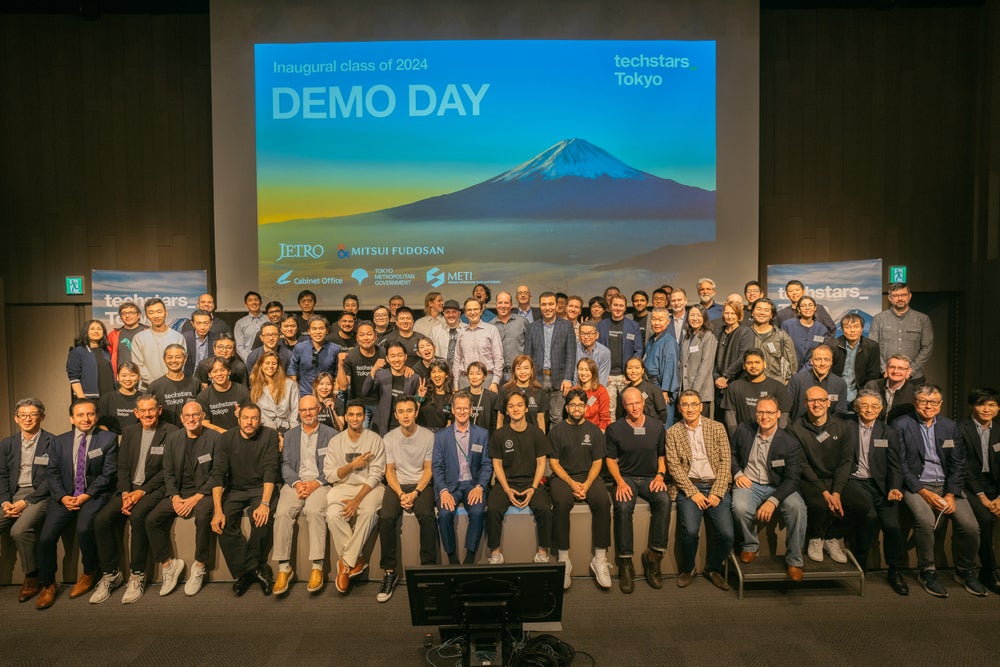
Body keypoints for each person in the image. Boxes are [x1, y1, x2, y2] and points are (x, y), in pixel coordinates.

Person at [895, 384, 985, 597]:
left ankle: (965, 571)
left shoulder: (949, 426)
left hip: (946, 487)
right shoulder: (901, 425)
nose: (929, 406)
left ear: (941, 404)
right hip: (916, 487)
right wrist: (924, 493)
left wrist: (951, 494)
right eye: (924, 401)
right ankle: (927, 571)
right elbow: (900, 465)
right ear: (915, 403)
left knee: (971, 526)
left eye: (934, 402)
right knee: (925, 521)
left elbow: (958, 463)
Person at [90, 393, 177, 604]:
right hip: (128, 489)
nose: (147, 414)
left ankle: (138, 574)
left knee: (138, 517)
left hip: (154, 489)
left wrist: (141, 492)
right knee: (101, 520)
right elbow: (122, 466)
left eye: (151, 410)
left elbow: (167, 471)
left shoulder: (172, 432)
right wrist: (126, 492)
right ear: (136, 413)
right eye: (142, 411)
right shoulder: (129, 432)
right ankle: (111, 573)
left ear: (159, 410)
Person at [35, 399, 119, 609]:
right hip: (64, 496)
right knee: (46, 538)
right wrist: (63, 497)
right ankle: (48, 584)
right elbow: (52, 473)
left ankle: (90, 571)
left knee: (84, 528)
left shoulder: (108, 439)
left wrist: (86, 495)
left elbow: (108, 473)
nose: (86, 419)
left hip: (93, 495)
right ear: (72, 418)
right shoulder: (59, 441)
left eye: (90, 414)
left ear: (96, 416)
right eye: (80, 415)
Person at [788, 386, 869, 565]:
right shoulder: (795, 429)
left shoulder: (843, 426)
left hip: (836, 478)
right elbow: (802, 464)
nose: (817, 404)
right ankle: (816, 537)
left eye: (821, 400)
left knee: (862, 505)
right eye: (811, 400)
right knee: (820, 504)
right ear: (805, 403)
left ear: (828, 402)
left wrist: (837, 492)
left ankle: (833, 537)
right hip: (810, 479)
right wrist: (826, 494)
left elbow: (846, 461)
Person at [729, 396, 808, 581]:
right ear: (756, 413)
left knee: (797, 508)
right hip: (749, 482)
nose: (765, 416)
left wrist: (773, 501)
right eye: (761, 412)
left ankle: (794, 560)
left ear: (778, 414)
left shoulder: (790, 442)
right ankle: (750, 545)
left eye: (770, 412)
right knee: (739, 507)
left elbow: (792, 479)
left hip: (779, 486)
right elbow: (731, 453)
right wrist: (738, 473)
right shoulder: (743, 430)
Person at [146, 400, 219, 597]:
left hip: (204, 493)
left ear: (203, 416)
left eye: (195, 415)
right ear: (181, 418)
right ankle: (168, 565)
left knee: (203, 516)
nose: (191, 419)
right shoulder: (173, 438)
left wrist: (195, 498)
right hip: (179, 493)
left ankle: (200, 565)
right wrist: (175, 497)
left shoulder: (214, 438)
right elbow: (167, 472)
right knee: (151, 520)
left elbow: (218, 474)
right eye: (187, 416)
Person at [210, 403, 281, 597]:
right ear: (238, 419)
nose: (249, 423)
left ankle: (245, 573)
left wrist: (265, 503)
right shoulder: (225, 439)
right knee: (222, 523)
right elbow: (218, 473)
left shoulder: (270, 435)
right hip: (236, 490)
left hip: (261, 487)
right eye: (245, 418)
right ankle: (256, 570)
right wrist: (217, 510)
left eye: (254, 418)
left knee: (262, 518)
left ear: (260, 420)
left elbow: (270, 470)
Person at [665, 390, 734, 590]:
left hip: (715, 485)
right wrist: (692, 491)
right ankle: (688, 569)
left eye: (694, 404)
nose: (689, 409)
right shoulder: (673, 432)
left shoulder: (717, 427)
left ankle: (712, 568)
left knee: (727, 533)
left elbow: (725, 461)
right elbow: (674, 466)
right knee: (690, 531)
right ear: (679, 408)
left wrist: (718, 491)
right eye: (685, 405)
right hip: (690, 486)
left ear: (701, 406)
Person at [604, 387, 670, 593]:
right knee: (623, 507)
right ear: (624, 406)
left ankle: (654, 557)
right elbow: (610, 459)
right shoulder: (614, 429)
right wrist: (620, 482)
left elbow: (662, 456)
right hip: (627, 478)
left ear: (643, 403)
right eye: (629, 404)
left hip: (651, 477)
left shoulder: (657, 426)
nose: (634, 407)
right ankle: (625, 562)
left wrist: (660, 475)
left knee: (664, 501)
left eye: (637, 403)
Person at [272, 395, 337, 596]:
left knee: (315, 510)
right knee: (282, 513)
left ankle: (317, 566)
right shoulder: (290, 435)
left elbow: (333, 466)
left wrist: (316, 483)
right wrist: (298, 483)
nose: (307, 413)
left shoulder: (332, 434)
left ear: (318, 410)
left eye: (311, 409)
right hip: (295, 482)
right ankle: (284, 568)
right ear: (299, 413)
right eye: (303, 410)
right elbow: (286, 465)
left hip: (321, 482)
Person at [547, 389, 612, 589]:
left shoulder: (594, 431)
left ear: (585, 407)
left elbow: (597, 462)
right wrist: (572, 484)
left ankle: (600, 559)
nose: (577, 408)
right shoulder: (557, 431)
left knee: (603, 501)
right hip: (563, 477)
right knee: (562, 501)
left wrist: (586, 484)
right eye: (573, 405)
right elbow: (554, 463)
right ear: (566, 408)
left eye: (580, 405)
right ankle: (564, 559)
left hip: (588, 477)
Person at [849, 390, 909, 596]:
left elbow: (895, 465)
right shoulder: (846, 427)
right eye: (864, 405)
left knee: (892, 526)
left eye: (874, 406)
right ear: (857, 407)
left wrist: (894, 487)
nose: (869, 410)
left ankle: (894, 571)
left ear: (881, 409)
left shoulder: (888, 431)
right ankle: (860, 565)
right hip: (855, 482)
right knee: (869, 517)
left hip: (882, 486)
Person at [376, 395, 436, 602]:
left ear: (416, 412)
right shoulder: (389, 438)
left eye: (409, 411)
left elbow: (428, 471)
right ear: (395, 415)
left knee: (427, 517)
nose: (405, 415)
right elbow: (389, 472)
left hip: (420, 484)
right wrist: (401, 493)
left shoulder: (428, 436)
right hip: (397, 485)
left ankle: (428, 571)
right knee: (386, 517)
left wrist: (416, 493)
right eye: (401, 412)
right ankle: (389, 573)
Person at [324, 400, 386, 596]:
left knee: (368, 512)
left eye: (359, 415)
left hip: (369, 487)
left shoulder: (375, 439)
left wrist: (357, 500)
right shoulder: (336, 441)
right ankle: (356, 559)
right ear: (347, 416)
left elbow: (376, 475)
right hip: (342, 487)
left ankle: (345, 563)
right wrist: (352, 465)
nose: (355, 418)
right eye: (351, 415)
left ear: (364, 417)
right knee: (333, 514)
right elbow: (330, 475)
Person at [485, 392, 553, 565]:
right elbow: (497, 465)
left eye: (519, 405)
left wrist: (533, 488)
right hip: (506, 482)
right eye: (511, 406)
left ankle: (543, 553)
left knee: (545, 509)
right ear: (506, 411)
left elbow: (541, 464)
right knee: (492, 509)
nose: (515, 409)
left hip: (531, 481)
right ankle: (495, 553)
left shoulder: (536, 433)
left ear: (525, 408)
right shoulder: (499, 435)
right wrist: (507, 489)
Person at [0, 398, 55, 603]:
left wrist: (26, 501)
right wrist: (5, 502)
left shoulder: (53, 442)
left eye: (32, 414)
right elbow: (2, 475)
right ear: (16, 418)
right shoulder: (7, 443)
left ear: (42, 416)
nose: (27, 419)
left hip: (40, 495)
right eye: (23, 415)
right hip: (12, 495)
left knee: (19, 530)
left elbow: (53, 478)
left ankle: (32, 575)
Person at [433, 391, 492, 565]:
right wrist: (443, 491)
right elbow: (437, 467)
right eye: (458, 408)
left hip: (473, 485)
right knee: (444, 514)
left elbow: (487, 465)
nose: (462, 412)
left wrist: (480, 486)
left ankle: (470, 556)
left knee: (478, 511)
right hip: (450, 485)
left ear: (471, 409)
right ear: (452, 409)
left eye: (465, 408)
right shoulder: (441, 436)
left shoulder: (482, 434)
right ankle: (451, 556)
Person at [959, 388, 1000, 594]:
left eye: (991, 405)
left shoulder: (999, 431)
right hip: (970, 486)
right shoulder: (960, 429)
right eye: (981, 404)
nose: (986, 409)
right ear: (971, 406)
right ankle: (988, 570)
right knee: (985, 519)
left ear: (998, 408)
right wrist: (983, 497)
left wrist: (999, 497)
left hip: (995, 486)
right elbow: (964, 468)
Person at [524, 292, 577, 425]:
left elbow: (571, 354)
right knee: (535, 417)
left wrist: (567, 378)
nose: (547, 308)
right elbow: (527, 356)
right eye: (544, 304)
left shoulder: (566, 326)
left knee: (556, 418)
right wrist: (528, 378)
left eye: (551, 304)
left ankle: (554, 446)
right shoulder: (532, 327)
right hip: (536, 380)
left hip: (559, 380)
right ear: (540, 306)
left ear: (556, 306)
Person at [869, 282, 933, 385]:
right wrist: (884, 369)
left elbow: (927, 347)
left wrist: (911, 370)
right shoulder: (879, 319)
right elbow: (873, 347)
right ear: (890, 298)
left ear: (909, 296)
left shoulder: (922, 319)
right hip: (884, 377)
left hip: (913, 378)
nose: (900, 298)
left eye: (903, 295)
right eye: (895, 296)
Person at [719, 349, 793, 437]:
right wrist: (736, 438)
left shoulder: (778, 387)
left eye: (757, 362)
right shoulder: (734, 387)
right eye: (749, 363)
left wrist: (777, 437)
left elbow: (784, 415)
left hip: (772, 438)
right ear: (743, 366)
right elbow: (730, 416)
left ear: (764, 364)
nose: (753, 366)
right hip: (744, 438)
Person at [363, 342, 421, 435]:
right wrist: (374, 369)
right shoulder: (381, 375)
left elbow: (417, 402)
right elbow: (365, 391)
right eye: (393, 356)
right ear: (387, 358)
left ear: (405, 357)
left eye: (400, 355)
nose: (397, 359)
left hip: (405, 428)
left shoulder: (414, 378)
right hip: (382, 427)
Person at [827, 312, 882, 404]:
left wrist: (863, 394)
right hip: (835, 391)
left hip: (859, 392)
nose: (852, 330)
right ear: (843, 329)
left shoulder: (872, 346)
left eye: (856, 326)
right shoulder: (832, 345)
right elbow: (828, 372)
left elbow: (873, 375)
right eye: (847, 327)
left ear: (862, 328)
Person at [786, 345, 849, 422]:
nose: (822, 364)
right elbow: (786, 408)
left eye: (826, 360)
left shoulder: (839, 383)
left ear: (831, 362)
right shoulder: (797, 380)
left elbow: (840, 412)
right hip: (799, 429)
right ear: (811, 361)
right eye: (818, 359)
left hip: (829, 430)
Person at [338, 320, 382, 428]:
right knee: (359, 436)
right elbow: (343, 386)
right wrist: (340, 365)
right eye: (362, 335)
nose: (366, 338)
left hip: (381, 403)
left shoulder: (384, 353)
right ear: (357, 338)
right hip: (359, 404)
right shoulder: (351, 356)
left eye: (369, 334)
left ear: (375, 336)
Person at [453, 297, 503, 392]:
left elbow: (498, 358)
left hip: (487, 380)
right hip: (465, 380)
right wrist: (456, 383)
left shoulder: (492, 330)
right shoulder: (461, 332)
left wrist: (495, 382)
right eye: (469, 310)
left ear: (481, 311)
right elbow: (457, 359)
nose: (472, 312)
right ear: (465, 313)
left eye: (475, 309)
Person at [147, 344, 201, 427]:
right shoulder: (155, 386)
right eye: (170, 357)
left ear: (185, 358)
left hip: (190, 432)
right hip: (164, 434)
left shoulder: (195, 382)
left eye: (178, 357)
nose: (174, 360)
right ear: (164, 359)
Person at [643, 307, 680, 426]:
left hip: (661, 387)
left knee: (663, 423)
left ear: (668, 321)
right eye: (654, 319)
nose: (656, 323)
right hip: (649, 384)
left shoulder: (669, 341)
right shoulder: (652, 339)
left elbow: (670, 367)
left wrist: (665, 390)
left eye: (660, 320)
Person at [713, 299, 755, 405]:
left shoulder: (745, 332)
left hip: (737, 382)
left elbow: (743, 357)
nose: (729, 316)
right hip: (718, 384)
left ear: (739, 315)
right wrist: (717, 377)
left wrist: (726, 377)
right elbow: (711, 358)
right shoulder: (718, 332)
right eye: (727, 313)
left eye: (733, 313)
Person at [288, 315, 340, 398]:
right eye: (314, 329)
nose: (318, 332)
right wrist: (296, 388)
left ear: (327, 330)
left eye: (321, 328)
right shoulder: (300, 347)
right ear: (309, 331)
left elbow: (338, 373)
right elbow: (292, 368)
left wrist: (334, 393)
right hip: (304, 394)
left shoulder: (335, 349)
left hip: (326, 394)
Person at [250, 351, 299, 435]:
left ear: (278, 366)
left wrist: (294, 432)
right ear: (261, 366)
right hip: (264, 430)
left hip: (287, 429)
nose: (270, 366)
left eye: (274, 363)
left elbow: (295, 409)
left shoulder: (290, 385)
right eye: (267, 363)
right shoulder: (255, 387)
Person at [197, 356, 251, 433]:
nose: (219, 374)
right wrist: (225, 433)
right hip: (216, 438)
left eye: (223, 370)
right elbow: (204, 423)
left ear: (229, 372)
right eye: (215, 371)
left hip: (240, 435)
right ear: (209, 374)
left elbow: (251, 416)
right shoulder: (203, 396)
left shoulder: (242, 391)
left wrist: (243, 414)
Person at [748, 298, 796, 384]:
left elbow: (791, 363)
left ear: (771, 315)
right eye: (759, 309)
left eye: (766, 310)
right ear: (752, 312)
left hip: (775, 384)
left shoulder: (781, 336)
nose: (762, 313)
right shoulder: (744, 334)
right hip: (749, 384)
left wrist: (786, 381)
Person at [680, 305, 717, 417]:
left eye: (698, 315)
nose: (695, 318)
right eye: (692, 315)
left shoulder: (708, 336)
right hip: (686, 390)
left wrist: (694, 393)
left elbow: (705, 366)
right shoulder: (687, 336)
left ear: (704, 317)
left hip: (701, 392)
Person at [66, 319, 114, 400]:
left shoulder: (106, 351)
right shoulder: (78, 352)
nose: (96, 331)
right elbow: (74, 378)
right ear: (86, 332)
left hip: (109, 397)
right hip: (89, 398)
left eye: (99, 329)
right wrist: (82, 399)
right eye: (92, 329)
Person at [499, 354, 548, 432]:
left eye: (526, 368)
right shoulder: (505, 390)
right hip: (509, 436)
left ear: (532, 370)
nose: (522, 372)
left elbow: (540, 419)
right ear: (514, 371)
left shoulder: (539, 391)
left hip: (532, 437)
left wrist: (542, 439)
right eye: (518, 368)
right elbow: (500, 416)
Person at [863, 354, 917, 422]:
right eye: (892, 367)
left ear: (908, 371)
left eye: (900, 368)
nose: (895, 371)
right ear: (886, 369)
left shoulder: (913, 392)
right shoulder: (871, 386)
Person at [781, 295, 827, 371]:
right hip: (789, 371)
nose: (807, 308)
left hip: (811, 371)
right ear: (798, 309)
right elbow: (782, 350)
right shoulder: (788, 325)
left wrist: (803, 372)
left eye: (810, 305)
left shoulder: (821, 329)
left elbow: (818, 354)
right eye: (803, 306)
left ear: (815, 308)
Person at [617, 357, 667, 422]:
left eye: (637, 368)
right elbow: (619, 416)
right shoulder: (623, 393)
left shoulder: (653, 389)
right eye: (630, 368)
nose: (633, 371)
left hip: (652, 427)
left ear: (643, 370)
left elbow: (663, 413)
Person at [492, 291, 527, 383]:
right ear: (496, 305)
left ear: (511, 305)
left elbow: (531, 346)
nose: (503, 306)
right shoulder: (490, 326)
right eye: (500, 303)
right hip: (498, 375)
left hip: (519, 373)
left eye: (506, 303)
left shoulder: (522, 322)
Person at [97, 362, 140, 434]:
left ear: (139, 377)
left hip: (136, 438)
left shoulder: (143, 399)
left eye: (132, 375)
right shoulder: (107, 398)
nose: (128, 379)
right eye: (124, 375)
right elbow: (101, 423)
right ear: (117, 377)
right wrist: (110, 438)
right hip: (112, 439)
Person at [107, 301, 147, 370]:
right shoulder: (113, 335)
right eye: (124, 313)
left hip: (145, 377)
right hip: (122, 377)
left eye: (131, 313)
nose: (127, 316)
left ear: (138, 315)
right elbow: (107, 358)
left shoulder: (148, 332)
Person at [575, 357, 610, 431]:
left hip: (596, 431)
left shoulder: (601, 390)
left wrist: (598, 435)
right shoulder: (574, 390)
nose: (583, 373)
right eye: (581, 369)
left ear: (593, 372)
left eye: (587, 370)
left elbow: (605, 419)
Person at [416, 360, 452, 432]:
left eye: (440, 371)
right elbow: (413, 416)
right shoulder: (424, 392)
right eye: (433, 372)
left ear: (446, 375)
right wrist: (419, 398)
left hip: (440, 436)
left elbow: (449, 423)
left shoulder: (451, 396)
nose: (436, 375)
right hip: (422, 434)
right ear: (430, 375)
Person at [182, 309, 220, 375]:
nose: (202, 327)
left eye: (206, 323)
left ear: (211, 323)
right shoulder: (184, 338)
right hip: (190, 377)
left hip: (210, 377)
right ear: (192, 323)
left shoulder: (216, 338)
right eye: (198, 323)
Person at [466, 361, 500, 434]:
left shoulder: (492, 397)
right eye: (471, 373)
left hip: (486, 439)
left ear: (484, 377)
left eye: (478, 374)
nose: (474, 377)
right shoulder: (461, 395)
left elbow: (494, 423)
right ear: (467, 376)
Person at [430, 300, 464, 369]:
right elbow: (431, 352)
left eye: (454, 312)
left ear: (459, 313)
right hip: (442, 371)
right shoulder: (435, 331)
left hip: (463, 371)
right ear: (443, 314)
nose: (451, 315)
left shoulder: (467, 330)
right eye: (447, 312)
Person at [575, 320, 610, 386]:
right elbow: (574, 376)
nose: (586, 337)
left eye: (590, 333)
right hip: (578, 388)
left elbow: (602, 380)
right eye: (582, 333)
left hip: (596, 389)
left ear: (597, 335)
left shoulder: (605, 352)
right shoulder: (574, 349)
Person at [234, 290, 265, 362]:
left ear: (261, 303)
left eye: (256, 300)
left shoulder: (269, 320)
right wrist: (250, 360)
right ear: (246, 304)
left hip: (269, 360)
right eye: (250, 300)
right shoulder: (240, 323)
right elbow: (239, 347)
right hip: (249, 361)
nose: (253, 302)